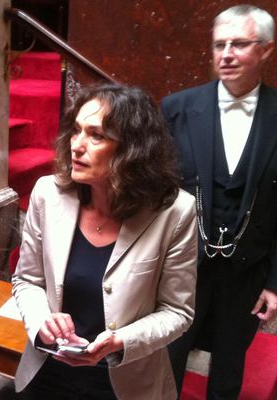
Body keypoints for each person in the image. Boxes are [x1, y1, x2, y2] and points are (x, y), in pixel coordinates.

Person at [12, 83, 198, 399]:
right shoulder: (48, 194)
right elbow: (27, 280)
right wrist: (43, 321)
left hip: (124, 383)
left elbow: (177, 312)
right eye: (75, 130)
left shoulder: (174, 212)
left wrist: (121, 340)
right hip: (49, 373)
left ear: (132, 150)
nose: (77, 145)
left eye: (96, 135)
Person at [161, 5, 277, 398]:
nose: (225, 54)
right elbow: (157, 194)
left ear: (265, 50)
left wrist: (276, 284)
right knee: (168, 357)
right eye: (219, 45)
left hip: (248, 272)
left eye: (239, 44)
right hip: (182, 267)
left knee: (229, 366)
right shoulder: (176, 109)